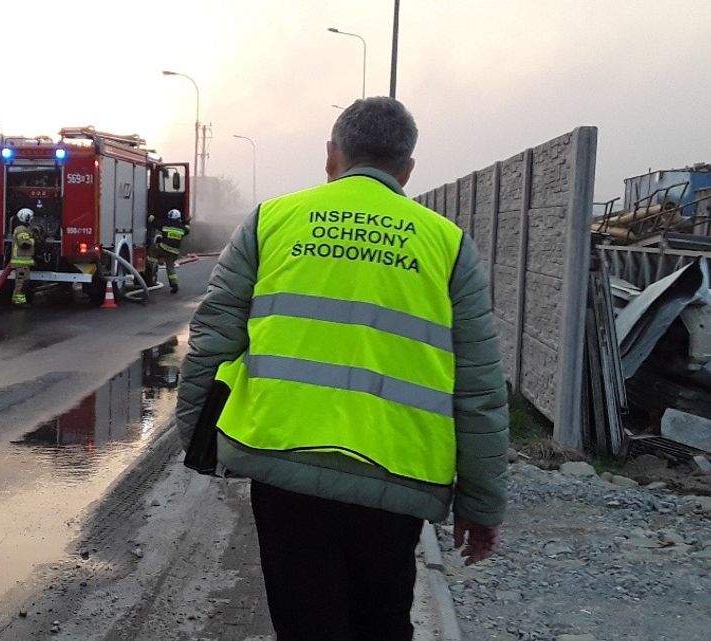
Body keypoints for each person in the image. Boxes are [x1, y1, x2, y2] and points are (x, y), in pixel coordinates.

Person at [175, 97, 509, 641]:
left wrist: (199, 440)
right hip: (397, 473)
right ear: (406, 170)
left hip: (285, 462)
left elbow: (212, 339)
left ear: (332, 156)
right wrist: (481, 502)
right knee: (382, 620)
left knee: (306, 621)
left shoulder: (272, 221)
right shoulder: (448, 245)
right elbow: (479, 388)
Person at [146, 208, 190, 293]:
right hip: (174, 252)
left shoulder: (166, 224)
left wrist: (150, 216)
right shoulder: (182, 228)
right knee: (170, 268)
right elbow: (187, 230)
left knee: (152, 249)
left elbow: (156, 223)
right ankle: (174, 285)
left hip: (164, 248)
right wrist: (187, 223)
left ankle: (153, 265)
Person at [10, 208, 36, 306]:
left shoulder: (21, 229)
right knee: (21, 283)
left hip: (23, 262)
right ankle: (18, 301)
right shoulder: (21, 230)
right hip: (21, 262)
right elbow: (24, 244)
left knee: (23, 283)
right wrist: (33, 240)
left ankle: (20, 300)